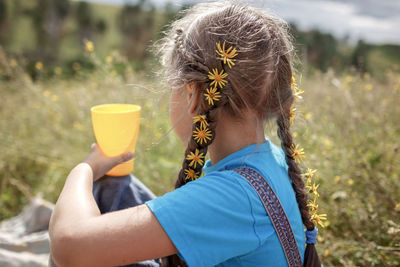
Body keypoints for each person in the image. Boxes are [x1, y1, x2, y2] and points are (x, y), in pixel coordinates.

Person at [49, 1, 321, 266]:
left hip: (74, 243)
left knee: (86, 205)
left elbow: (68, 246)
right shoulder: (270, 160)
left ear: (194, 94)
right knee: (112, 188)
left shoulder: (233, 198)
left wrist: (85, 168)